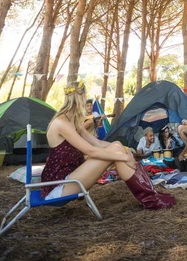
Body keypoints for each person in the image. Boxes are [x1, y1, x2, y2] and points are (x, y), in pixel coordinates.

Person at [41, 80, 175, 210]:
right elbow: (91, 151)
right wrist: (123, 157)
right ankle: (151, 199)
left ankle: (151, 194)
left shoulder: (73, 121)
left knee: (116, 145)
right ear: (81, 98)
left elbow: (98, 143)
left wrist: (125, 149)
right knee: (117, 152)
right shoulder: (61, 123)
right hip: (59, 186)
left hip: (72, 177)